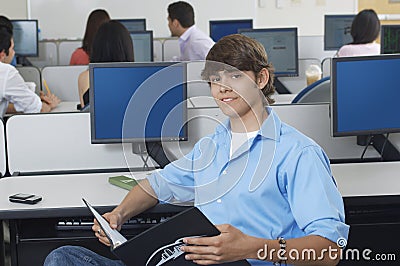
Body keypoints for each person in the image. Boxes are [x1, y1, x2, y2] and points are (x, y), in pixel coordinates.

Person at [44, 34, 349, 265]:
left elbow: (331, 249)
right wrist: (119, 215)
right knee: (63, 257)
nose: (223, 88)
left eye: (235, 76)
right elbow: (158, 184)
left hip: (247, 261)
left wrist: (251, 246)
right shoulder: (213, 145)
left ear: (262, 78)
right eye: (216, 80)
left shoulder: (298, 154)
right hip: (182, 259)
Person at [0, 26, 60, 118]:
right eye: (12, 48)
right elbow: (38, 109)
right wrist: (49, 105)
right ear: (2, 54)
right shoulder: (6, 72)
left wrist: (32, 99)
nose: (14, 53)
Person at [77, 20, 134, 109]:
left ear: (96, 47)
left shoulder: (85, 78)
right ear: (127, 47)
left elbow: (86, 115)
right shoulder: (134, 77)